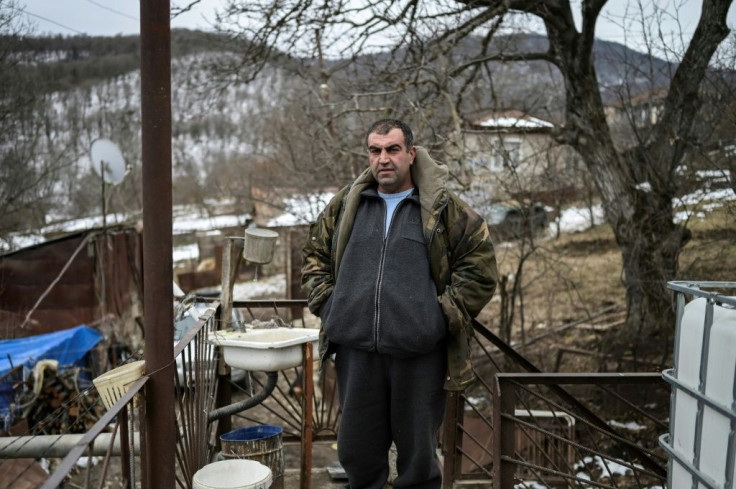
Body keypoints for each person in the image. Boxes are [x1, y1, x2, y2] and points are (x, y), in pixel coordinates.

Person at [301, 119, 498, 489]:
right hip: (357, 352)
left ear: (411, 153)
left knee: (418, 461)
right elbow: (313, 254)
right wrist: (331, 304)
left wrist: (438, 317)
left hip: (419, 354)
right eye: (375, 150)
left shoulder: (441, 208)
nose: (383, 159)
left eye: (392, 149)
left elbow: (481, 266)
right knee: (358, 454)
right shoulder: (347, 205)